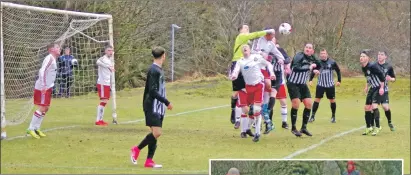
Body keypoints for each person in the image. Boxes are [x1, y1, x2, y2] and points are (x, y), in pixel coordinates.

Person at [130, 46, 173, 168]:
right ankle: (136, 149)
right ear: (163, 56)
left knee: (154, 134)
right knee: (157, 132)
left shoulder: (158, 69)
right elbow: (153, 92)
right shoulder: (154, 70)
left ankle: (149, 161)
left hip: (157, 107)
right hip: (152, 105)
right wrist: (167, 102)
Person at [230, 24, 275, 129]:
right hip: (238, 63)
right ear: (240, 30)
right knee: (237, 91)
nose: (247, 29)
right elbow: (255, 35)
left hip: (247, 66)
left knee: (245, 91)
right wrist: (267, 30)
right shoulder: (241, 36)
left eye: (248, 28)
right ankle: (234, 112)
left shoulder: (246, 43)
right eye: (245, 28)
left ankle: (245, 122)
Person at [251, 27, 285, 134]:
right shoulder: (258, 40)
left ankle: (267, 121)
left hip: (264, 70)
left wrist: (280, 59)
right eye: (272, 35)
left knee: (267, 89)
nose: (274, 37)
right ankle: (257, 121)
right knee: (255, 100)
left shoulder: (271, 44)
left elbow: (281, 56)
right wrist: (261, 54)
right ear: (267, 34)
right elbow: (252, 52)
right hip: (255, 70)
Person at [26, 43, 61, 139]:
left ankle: (37, 128)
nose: (59, 49)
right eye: (57, 47)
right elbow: (42, 71)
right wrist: (44, 85)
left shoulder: (53, 59)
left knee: (46, 108)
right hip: (43, 87)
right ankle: (30, 128)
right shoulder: (49, 58)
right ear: (51, 49)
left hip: (48, 87)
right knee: (42, 107)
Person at [286, 43, 321, 137]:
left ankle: (304, 128)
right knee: (296, 103)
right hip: (293, 83)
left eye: (310, 48)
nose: (308, 49)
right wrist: (309, 68)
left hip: (302, 84)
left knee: (309, 104)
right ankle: (293, 128)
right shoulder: (299, 56)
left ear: (312, 51)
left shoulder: (313, 57)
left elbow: (319, 64)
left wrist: (315, 70)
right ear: (304, 48)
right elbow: (295, 68)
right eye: (306, 47)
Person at [309, 49, 341, 123]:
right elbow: (313, 71)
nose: (323, 55)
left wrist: (339, 80)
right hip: (320, 84)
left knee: (332, 100)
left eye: (324, 53)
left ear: (327, 54)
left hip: (330, 85)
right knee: (317, 99)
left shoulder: (332, 62)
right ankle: (312, 116)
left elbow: (338, 70)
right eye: (321, 54)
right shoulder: (317, 62)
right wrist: (310, 80)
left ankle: (333, 117)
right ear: (320, 55)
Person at [360, 49, 386, 136]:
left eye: (363, 56)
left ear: (368, 58)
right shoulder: (363, 67)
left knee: (374, 106)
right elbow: (368, 78)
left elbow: (382, 77)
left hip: (379, 87)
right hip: (372, 88)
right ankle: (369, 127)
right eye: (361, 56)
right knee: (367, 108)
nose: (361, 58)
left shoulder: (373, 66)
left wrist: (382, 88)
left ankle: (377, 127)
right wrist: (366, 86)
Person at [270, 37, 291, 130]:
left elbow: (288, 59)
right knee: (269, 101)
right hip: (268, 79)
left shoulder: (280, 50)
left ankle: (284, 122)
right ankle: (268, 122)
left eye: (272, 39)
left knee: (283, 101)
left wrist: (283, 61)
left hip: (279, 80)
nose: (271, 41)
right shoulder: (264, 51)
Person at [95, 45, 115, 126]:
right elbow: (97, 62)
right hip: (102, 83)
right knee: (104, 101)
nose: (111, 52)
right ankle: (98, 120)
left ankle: (101, 119)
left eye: (111, 50)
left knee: (105, 101)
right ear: (105, 51)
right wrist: (108, 67)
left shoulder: (110, 60)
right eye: (109, 50)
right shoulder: (103, 59)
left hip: (107, 84)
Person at [376, 50, 396, 131]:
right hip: (374, 90)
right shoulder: (374, 65)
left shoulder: (389, 66)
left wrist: (390, 78)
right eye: (379, 54)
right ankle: (376, 125)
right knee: (373, 107)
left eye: (382, 54)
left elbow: (394, 78)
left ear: (385, 57)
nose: (379, 56)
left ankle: (390, 122)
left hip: (384, 90)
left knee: (385, 107)